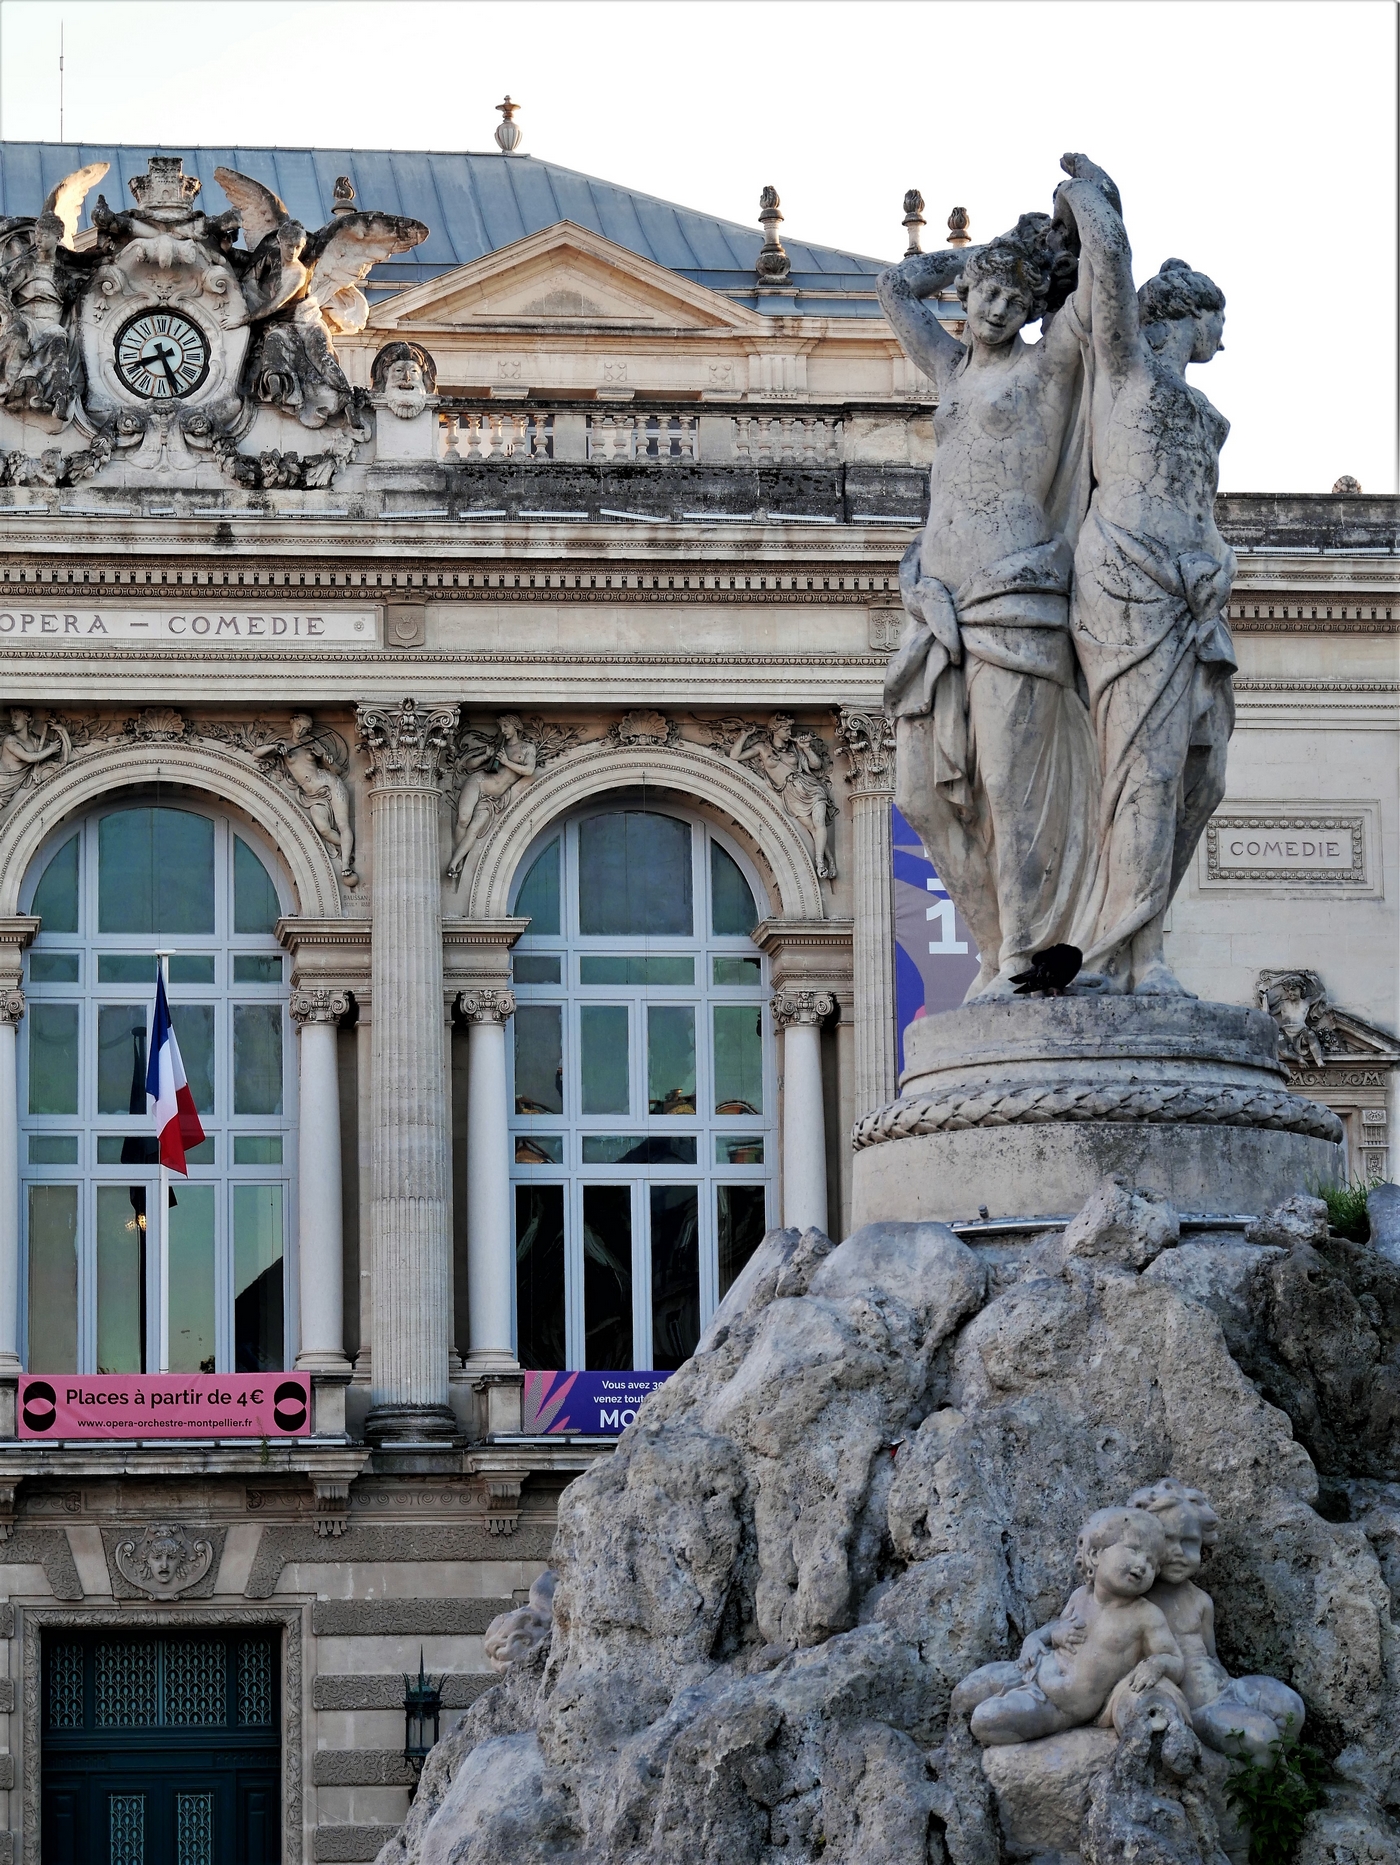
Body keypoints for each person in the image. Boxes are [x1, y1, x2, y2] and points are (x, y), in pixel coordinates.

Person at [877, 214, 1099, 997]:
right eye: (987, 293)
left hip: (1013, 594)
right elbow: (895, 285)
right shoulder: (948, 367)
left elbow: (1100, 290)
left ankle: (1022, 955)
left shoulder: (1048, 366)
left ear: (1034, 309)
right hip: (936, 604)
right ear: (967, 294)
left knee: (1008, 789)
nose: (998, 308)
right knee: (919, 797)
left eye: (1015, 299)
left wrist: (1070, 228)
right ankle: (996, 945)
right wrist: (990, 254)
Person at [1054, 155, 1236, 994]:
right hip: (1129, 580)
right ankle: (1132, 952)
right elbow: (1112, 264)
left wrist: (1222, 560)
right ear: (1189, 315)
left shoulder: (1203, 412)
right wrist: (1090, 199)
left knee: (1203, 773)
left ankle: (1137, 927)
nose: (1224, 339)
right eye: (1218, 320)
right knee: (1145, 769)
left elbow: (1201, 505)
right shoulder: (1124, 367)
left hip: (1196, 599)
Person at [954, 1506, 1184, 1745]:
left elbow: (1176, 1661)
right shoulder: (1080, 1596)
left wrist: (1157, 1664)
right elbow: (1055, 1628)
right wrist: (1037, 1638)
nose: (1142, 1565)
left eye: (1151, 1562)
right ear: (1095, 1555)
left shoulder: (1146, 1616)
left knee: (985, 1719)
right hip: (1031, 1670)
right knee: (965, 1693)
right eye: (1134, 1550)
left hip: (1058, 1707)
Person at [1126, 1477, 1305, 1764]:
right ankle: (1261, 1778)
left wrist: (1231, 1690)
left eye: (1189, 1542)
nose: (1178, 1552)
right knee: (1260, 1735)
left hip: (1225, 1688)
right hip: (1195, 1708)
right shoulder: (1135, 1605)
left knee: (1289, 1706)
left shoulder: (1200, 1600)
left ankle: (1274, 1769)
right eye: (1167, 1540)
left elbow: (1211, 1656)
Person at [256, 713, 356, 887]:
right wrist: (276, 746)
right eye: (299, 726)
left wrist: (328, 760)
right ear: (292, 724)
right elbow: (257, 753)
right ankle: (347, 846)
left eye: (305, 729)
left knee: (342, 824)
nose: (301, 731)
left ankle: (346, 864)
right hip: (312, 796)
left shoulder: (313, 744)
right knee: (324, 829)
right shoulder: (284, 745)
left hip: (330, 784)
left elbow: (337, 771)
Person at [447, 714, 537, 882]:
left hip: (493, 799)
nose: (503, 730)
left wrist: (506, 761)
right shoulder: (498, 746)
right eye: (501, 727)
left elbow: (529, 770)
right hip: (478, 782)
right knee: (463, 819)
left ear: (516, 726)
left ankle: (458, 860)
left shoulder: (526, 748)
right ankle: (457, 859)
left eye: (506, 726)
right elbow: (469, 765)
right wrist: (486, 756)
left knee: (474, 829)